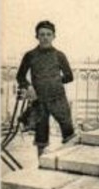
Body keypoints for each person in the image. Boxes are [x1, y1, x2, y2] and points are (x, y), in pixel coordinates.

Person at [16, 20, 76, 158]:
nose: (45, 37)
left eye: (49, 34)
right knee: (41, 135)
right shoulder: (30, 55)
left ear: (54, 36)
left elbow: (69, 76)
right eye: (42, 34)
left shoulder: (59, 55)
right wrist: (28, 87)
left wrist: (53, 81)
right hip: (39, 101)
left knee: (68, 131)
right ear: (36, 36)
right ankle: (41, 164)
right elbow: (20, 76)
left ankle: (69, 160)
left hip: (58, 99)